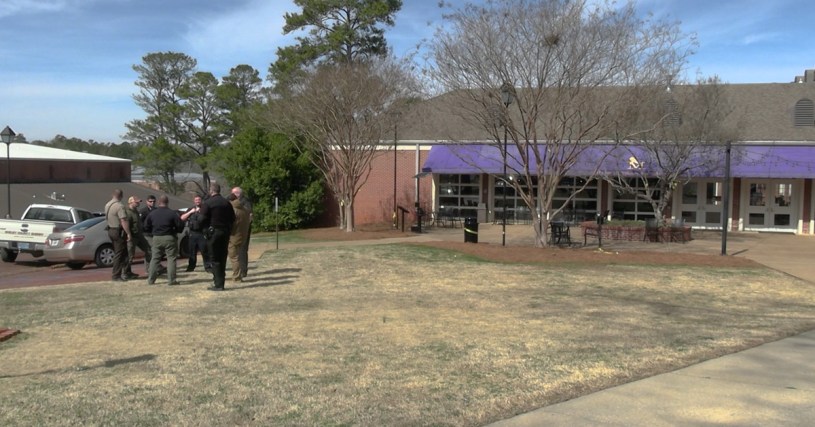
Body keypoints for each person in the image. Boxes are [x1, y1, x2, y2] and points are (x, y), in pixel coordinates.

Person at [200, 183, 235, 291]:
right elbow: (233, 218)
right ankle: (221, 283)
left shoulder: (208, 203)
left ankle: (218, 284)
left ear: (211, 191)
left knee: (214, 258)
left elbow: (202, 219)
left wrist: (203, 229)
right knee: (223, 257)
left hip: (213, 232)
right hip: (225, 232)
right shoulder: (226, 202)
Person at [143, 195, 184, 286]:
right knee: (171, 258)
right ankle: (171, 280)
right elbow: (180, 225)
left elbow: (146, 226)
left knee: (155, 258)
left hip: (156, 237)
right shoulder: (172, 213)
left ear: (158, 202)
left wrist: (152, 231)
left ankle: (151, 280)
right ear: (167, 202)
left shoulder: (152, 213)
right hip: (169, 237)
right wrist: (175, 231)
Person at [104, 189, 131, 282]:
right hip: (118, 230)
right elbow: (123, 220)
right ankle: (116, 275)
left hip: (110, 229)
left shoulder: (107, 205)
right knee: (119, 253)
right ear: (121, 196)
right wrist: (128, 233)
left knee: (124, 252)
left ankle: (127, 272)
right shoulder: (119, 206)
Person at [124, 196, 152, 279]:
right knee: (129, 256)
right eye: (136, 202)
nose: (138, 203)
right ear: (131, 202)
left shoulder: (136, 211)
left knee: (148, 250)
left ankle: (149, 269)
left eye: (138, 202)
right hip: (132, 236)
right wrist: (128, 234)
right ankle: (125, 273)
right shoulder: (127, 212)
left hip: (139, 235)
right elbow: (126, 225)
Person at [180, 195, 210, 272]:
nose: (197, 201)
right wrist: (191, 212)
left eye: (199, 199)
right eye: (196, 200)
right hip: (192, 233)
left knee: (204, 251)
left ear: (201, 200)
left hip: (202, 233)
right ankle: (191, 267)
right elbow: (182, 218)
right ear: (194, 201)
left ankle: (208, 267)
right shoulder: (190, 209)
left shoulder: (205, 209)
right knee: (192, 252)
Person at [139, 194, 166, 275]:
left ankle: (157, 267)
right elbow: (140, 223)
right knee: (150, 251)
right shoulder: (143, 211)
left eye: (154, 201)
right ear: (147, 202)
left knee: (157, 251)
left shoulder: (156, 210)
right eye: (150, 201)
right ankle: (148, 269)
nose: (152, 203)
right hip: (147, 234)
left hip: (155, 234)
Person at [227, 193, 251, 282]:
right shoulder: (245, 209)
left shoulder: (233, 210)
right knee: (241, 255)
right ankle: (241, 273)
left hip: (234, 236)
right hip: (243, 235)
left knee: (234, 257)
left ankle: (237, 277)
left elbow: (230, 224)